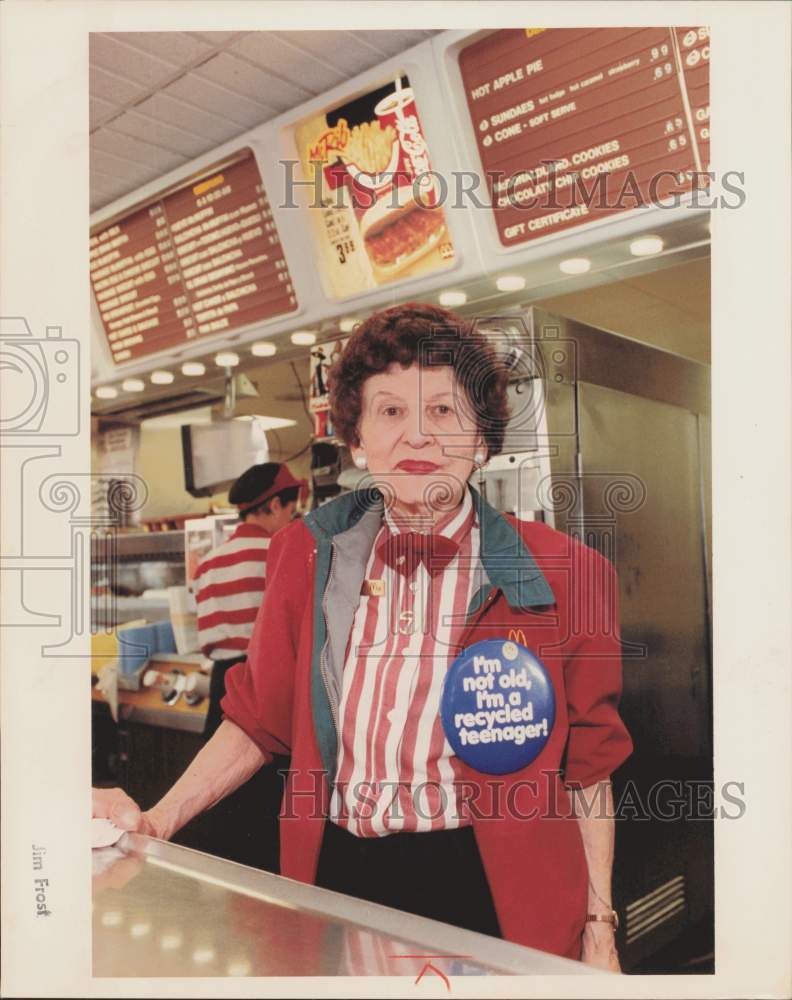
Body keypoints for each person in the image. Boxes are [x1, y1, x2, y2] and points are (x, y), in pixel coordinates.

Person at [94, 303, 632, 970]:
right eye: (390, 413)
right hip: (338, 875)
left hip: (491, 889)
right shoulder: (307, 555)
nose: (417, 438)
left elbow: (589, 770)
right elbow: (256, 719)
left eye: (443, 411)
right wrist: (159, 819)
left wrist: (600, 925)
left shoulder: (565, 575)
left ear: (483, 438)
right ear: (357, 442)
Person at [193, 461, 304, 870]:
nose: (292, 518)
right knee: (271, 814)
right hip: (270, 687)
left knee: (226, 806)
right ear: (275, 504)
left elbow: (206, 643)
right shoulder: (284, 554)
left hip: (222, 687)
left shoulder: (208, 565)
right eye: (291, 508)